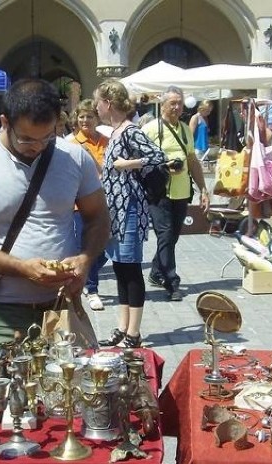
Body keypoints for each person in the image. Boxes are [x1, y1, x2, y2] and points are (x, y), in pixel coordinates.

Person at [0, 79, 109, 355]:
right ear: (4, 122)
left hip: (63, 309)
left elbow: (99, 217)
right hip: (4, 315)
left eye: (47, 137)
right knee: (4, 394)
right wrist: (23, 268)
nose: (37, 147)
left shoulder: (74, 157)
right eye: (27, 139)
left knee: (69, 394)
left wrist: (85, 258)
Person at [94, 79, 167, 348]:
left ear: (108, 103)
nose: (96, 107)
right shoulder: (114, 132)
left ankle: (134, 333)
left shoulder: (129, 131)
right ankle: (122, 327)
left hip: (130, 210)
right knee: (120, 269)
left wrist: (128, 163)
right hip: (115, 211)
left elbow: (159, 157)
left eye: (99, 102)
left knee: (132, 269)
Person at [141, 86, 210, 301]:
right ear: (163, 105)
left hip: (181, 192)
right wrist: (164, 166)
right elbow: (140, 160)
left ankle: (155, 272)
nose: (177, 107)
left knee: (172, 236)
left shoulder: (185, 129)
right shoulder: (150, 129)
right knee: (165, 234)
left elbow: (192, 160)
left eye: (179, 103)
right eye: (173, 103)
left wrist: (204, 190)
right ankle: (172, 282)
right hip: (159, 192)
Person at [69, 99, 108, 311]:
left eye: (89, 116)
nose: (85, 120)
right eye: (82, 116)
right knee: (88, 246)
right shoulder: (72, 144)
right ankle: (92, 289)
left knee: (105, 249)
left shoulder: (106, 141)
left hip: (105, 200)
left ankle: (86, 272)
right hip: (79, 204)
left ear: (97, 118)